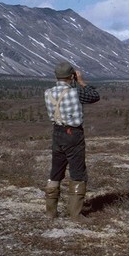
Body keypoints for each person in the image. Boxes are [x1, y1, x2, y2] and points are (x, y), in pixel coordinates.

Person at [43, 61, 101, 222]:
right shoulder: (76, 92)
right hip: (73, 134)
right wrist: (81, 81)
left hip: (57, 133)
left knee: (55, 172)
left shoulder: (48, 92)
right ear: (71, 76)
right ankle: (76, 215)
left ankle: (50, 213)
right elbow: (94, 96)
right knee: (77, 173)